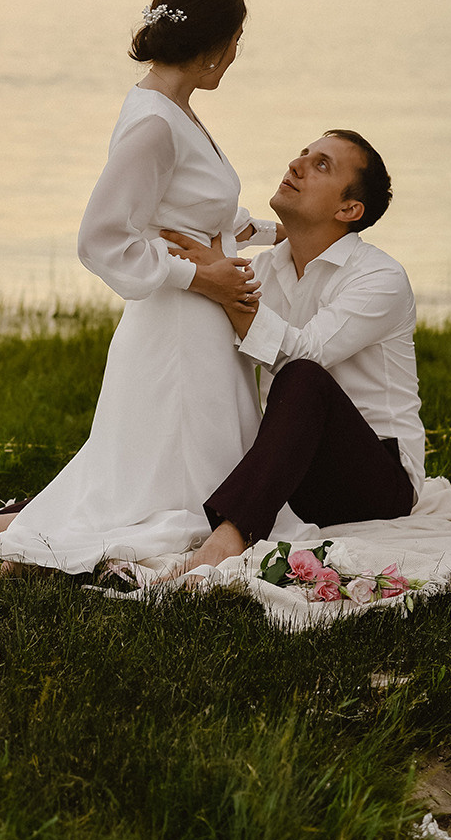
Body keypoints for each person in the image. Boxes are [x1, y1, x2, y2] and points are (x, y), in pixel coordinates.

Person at [0, 0, 277, 576]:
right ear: (212, 42)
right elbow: (102, 238)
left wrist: (278, 232)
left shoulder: (171, 108)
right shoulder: (156, 123)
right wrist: (201, 278)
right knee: (168, 501)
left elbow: (190, 211)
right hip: (179, 335)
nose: (236, 55)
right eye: (236, 40)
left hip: (199, 333)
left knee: (153, 485)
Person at [161, 129, 425, 576]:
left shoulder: (379, 278)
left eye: (321, 165)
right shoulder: (264, 269)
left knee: (303, 375)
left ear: (349, 210)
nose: (296, 165)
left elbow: (304, 354)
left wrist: (228, 290)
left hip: (378, 482)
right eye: (304, 153)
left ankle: (229, 537)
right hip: (290, 471)